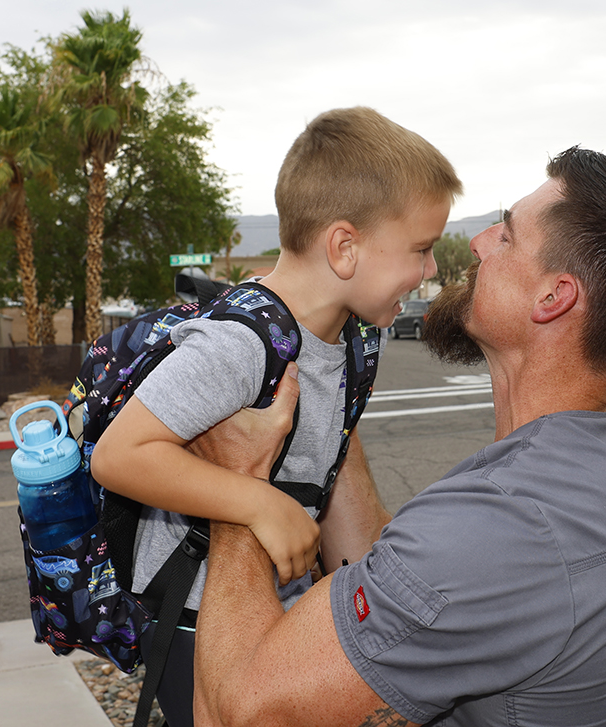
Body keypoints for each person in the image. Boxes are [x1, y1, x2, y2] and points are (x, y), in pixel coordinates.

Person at [191, 146, 606, 727]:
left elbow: (237, 711)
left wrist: (237, 485)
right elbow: (401, 582)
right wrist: (326, 394)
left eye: (508, 237)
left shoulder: (508, 523)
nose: (479, 242)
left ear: (554, 297)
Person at [89, 106, 462, 727]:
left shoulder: (346, 338)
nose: (430, 271)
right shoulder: (239, 345)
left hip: (267, 597)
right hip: (199, 617)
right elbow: (120, 455)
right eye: (421, 250)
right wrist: (261, 505)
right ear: (345, 247)